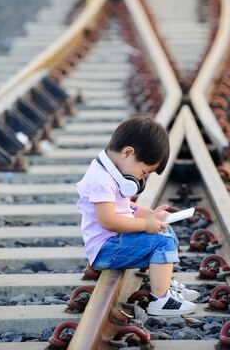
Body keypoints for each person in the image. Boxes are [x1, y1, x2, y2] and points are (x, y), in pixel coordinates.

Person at [76, 115, 199, 316]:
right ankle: (160, 300)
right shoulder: (102, 180)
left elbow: (126, 207)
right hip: (106, 250)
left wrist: (151, 216)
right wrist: (144, 225)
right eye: (143, 172)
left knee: (165, 231)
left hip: (114, 243)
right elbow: (108, 221)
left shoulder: (110, 170)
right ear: (127, 153)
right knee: (162, 242)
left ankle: (164, 284)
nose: (140, 178)